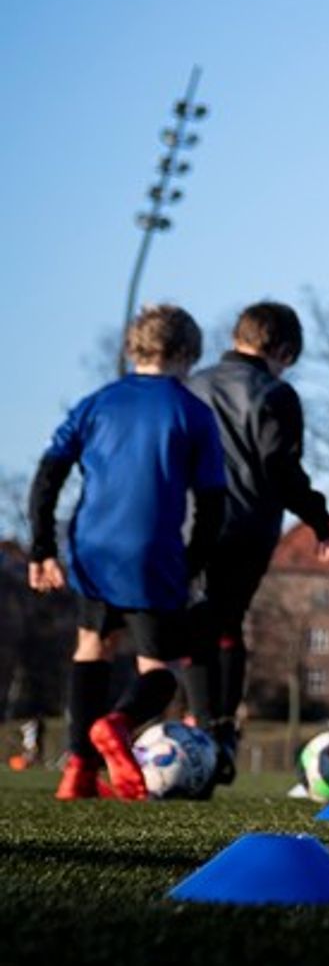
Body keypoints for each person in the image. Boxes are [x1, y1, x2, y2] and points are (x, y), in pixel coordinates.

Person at [26, 305, 228, 800]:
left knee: (92, 647)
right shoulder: (193, 413)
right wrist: (193, 564)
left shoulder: (97, 403)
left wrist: (42, 547)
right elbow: (213, 503)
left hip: (91, 545)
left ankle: (78, 771)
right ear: (186, 353)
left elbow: (48, 474)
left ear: (134, 349)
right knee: (160, 668)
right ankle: (115, 725)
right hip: (152, 551)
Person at [179, 301, 329, 785]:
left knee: (195, 625)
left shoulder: (190, 386)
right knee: (228, 624)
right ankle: (223, 730)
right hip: (245, 525)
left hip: (186, 523)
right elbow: (278, 467)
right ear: (284, 351)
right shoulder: (275, 394)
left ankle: (201, 725)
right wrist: (316, 515)